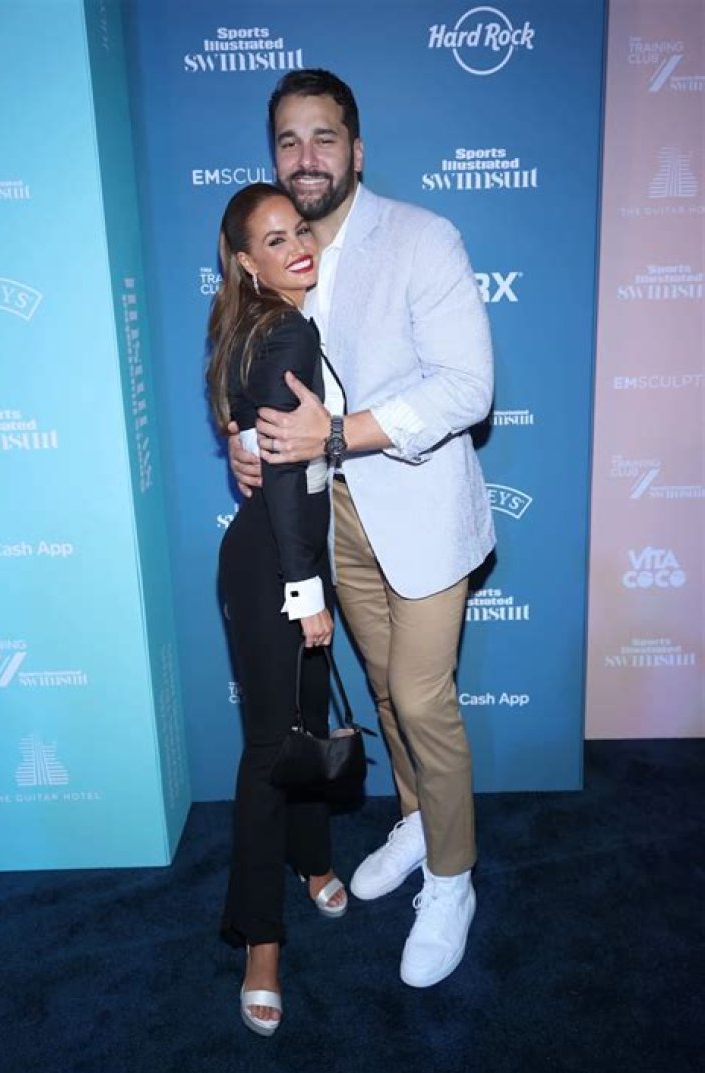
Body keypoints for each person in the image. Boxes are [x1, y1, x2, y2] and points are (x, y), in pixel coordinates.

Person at [229, 70, 495, 990]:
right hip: (334, 516)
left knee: (420, 699)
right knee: (382, 692)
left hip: (420, 506)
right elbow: (254, 372)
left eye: (324, 137)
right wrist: (246, 442)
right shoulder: (282, 251)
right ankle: (418, 823)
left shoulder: (422, 238)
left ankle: (454, 878)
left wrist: (336, 435)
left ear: (357, 149)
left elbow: (468, 388)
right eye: (289, 141)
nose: (306, 157)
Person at [209, 182, 348, 1037]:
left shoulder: (253, 322)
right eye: (274, 240)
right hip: (278, 566)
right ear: (245, 262)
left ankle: (313, 860)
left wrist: (240, 438)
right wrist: (305, 593)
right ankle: (261, 941)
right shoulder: (287, 328)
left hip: (271, 556)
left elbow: (246, 421)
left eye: (300, 229)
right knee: (271, 750)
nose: (298, 246)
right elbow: (290, 477)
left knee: (304, 726)